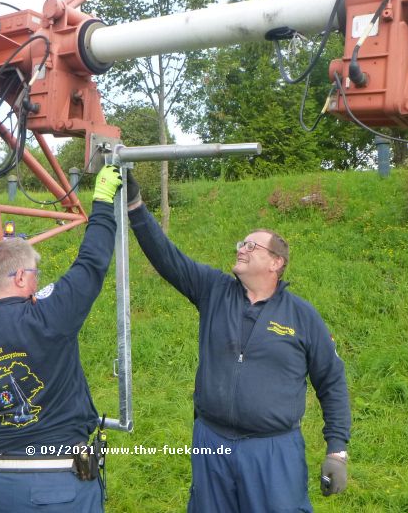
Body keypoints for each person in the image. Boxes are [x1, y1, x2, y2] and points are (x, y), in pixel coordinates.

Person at [124, 172, 351, 513]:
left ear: (277, 262)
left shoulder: (302, 316)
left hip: (273, 450)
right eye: (240, 244)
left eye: (251, 245)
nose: (241, 249)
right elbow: (167, 257)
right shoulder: (214, 290)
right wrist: (135, 205)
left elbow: (331, 381)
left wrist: (336, 451)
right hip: (212, 442)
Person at [0, 165, 123, 513]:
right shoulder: (48, 316)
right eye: (35, 275)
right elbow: (91, 263)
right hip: (60, 484)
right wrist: (101, 202)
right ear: (21, 276)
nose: (37, 283)